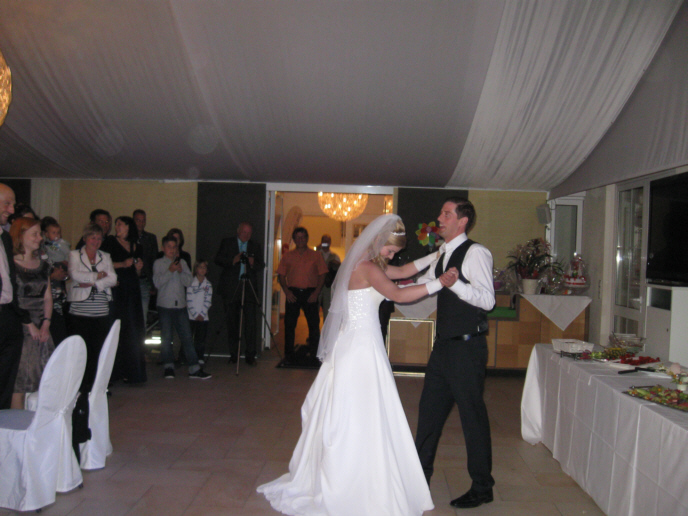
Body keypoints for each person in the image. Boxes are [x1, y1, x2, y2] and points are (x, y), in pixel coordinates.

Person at [258, 214, 458, 515]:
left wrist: (437, 255)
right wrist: (439, 283)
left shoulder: (371, 263)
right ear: (378, 242)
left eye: (394, 252)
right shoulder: (367, 268)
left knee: (367, 407)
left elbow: (403, 270)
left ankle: (366, 469)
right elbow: (399, 293)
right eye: (390, 250)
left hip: (361, 342)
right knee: (361, 408)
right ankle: (354, 474)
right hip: (360, 347)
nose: (392, 256)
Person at [414, 197, 496, 509]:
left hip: (467, 348)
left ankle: (482, 486)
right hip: (443, 347)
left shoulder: (476, 252)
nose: (439, 218)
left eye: (446, 214)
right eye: (441, 212)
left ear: (462, 221)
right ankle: (419, 480)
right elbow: (422, 283)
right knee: (428, 415)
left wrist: (454, 284)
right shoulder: (441, 252)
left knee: (472, 417)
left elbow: (487, 300)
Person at [9, 217, 55, 409]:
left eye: (40, 234)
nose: (40, 238)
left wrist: (46, 323)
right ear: (21, 236)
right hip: (19, 326)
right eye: (34, 234)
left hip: (41, 326)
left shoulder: (43, 265)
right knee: (19, 383)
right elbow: (12, 299)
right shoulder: (10, 264)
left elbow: (48, 297)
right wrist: (30, 326)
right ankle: (17, 424)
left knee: (45, 382)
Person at [67, 223, 117, 392]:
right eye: (92, 237)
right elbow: (75, 274)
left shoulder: (106, 256)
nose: (96, 241)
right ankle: (80, 386)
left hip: (100, 310)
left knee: (98, 349)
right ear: (85, 238)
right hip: (79, 311)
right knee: (80, 351)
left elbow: (113, 279)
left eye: (99, 238)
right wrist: (98, 275)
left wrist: (92, 283)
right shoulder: (74, 255)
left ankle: (97, 387)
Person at [153, 236, 211, 380]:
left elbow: (188, 282)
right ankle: (168, 366)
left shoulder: (183, 262)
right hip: (165, 305)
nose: (172, 250)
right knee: (166, 338)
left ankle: (194, 368)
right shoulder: (158, 263)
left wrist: (180, 271)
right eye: (169, 247)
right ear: (163, 248)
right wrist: (170, 270)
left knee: (187, 337)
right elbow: (157, 283)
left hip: (180, 306)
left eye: (174, 247)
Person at [101, 216, 147, 384]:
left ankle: (133, 372)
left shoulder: (137, 246)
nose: (117, 226)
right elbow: (103, 264)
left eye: (120, 224)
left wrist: (138, 268)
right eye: (116, 224)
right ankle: (113, 373)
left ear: (128, 227)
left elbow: (138, 273)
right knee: (115, 327)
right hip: (116, 288)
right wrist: (122, 264)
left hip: (132, 289)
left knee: (133, 329)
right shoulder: (110, 242)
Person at [214, 222, 264, 364]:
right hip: (231, 288)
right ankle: (234, 354)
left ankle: (250, 355)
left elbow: (261, 264)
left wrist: (252, 262)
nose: (246, 235)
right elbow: (218, 259)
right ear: (238, 231)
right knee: (232, 322)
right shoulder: (227, 242)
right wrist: (233, 260)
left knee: (250, 323)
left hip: (249, 287)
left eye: (249, 233)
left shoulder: (255, 245)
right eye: (244, 232)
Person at [277, 227, 328, 360]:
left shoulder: (316, 255)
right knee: (289, 324)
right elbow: (281, 275)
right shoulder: (287, 256)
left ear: (307, 238)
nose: (300, 240)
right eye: (298, 237)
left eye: (303, 237)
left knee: (313, 324)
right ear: (294, 239)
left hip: (310, 293)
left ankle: (315, 354)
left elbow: (323, 274)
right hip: (292, 293)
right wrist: (287, 291)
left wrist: (316, 292)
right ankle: (288, 354)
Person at [0, 183, 29, 410]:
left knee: (6, 379)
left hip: (8, 315)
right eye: (7, 204)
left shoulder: (5, 238)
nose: (11, 211)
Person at [40, 216, 70, 345]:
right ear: (45, 233)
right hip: (46, 297)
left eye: (58, 232)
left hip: (59, 295)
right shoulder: (42, 248)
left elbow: (66, 256)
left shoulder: (58, 245)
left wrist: (65, 272)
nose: (56, 235)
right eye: (53, 232)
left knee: (60, 333)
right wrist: (52, 276)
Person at [133, 209, 158, 329]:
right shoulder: (127, 237)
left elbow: (154, 262)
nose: (141, 223)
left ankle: (140, 338)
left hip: (144, 280)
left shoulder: (151, 238)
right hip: (130, 280)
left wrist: (153, 284)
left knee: (143, 315)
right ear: (133, 221)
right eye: (138, 220)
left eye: (143, 221)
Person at [186, 259, 212, 365]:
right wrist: (195, 314)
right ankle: (188, 357)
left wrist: (202, 314)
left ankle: (200, 356)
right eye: (200, 267)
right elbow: (189, 300)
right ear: (196, 269)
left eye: (204, 268)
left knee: (200, 339)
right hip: (191, 316)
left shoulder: (208, 285)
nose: (202, 269)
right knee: (189, 338)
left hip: (203, 317)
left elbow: (208, 301)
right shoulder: (191, 283)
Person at [317, 234, 340, 321]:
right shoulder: (316, 254)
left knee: (327, 309)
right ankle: (315, 328)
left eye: (327, 241)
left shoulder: (335, 256)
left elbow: (338, 272)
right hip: (317, 285)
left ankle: (326, 328)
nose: (325, 243)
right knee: (314, 309)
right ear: (321, 242)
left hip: (328, 286)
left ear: (330, 242)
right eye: (324, 241)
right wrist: (317, 249)